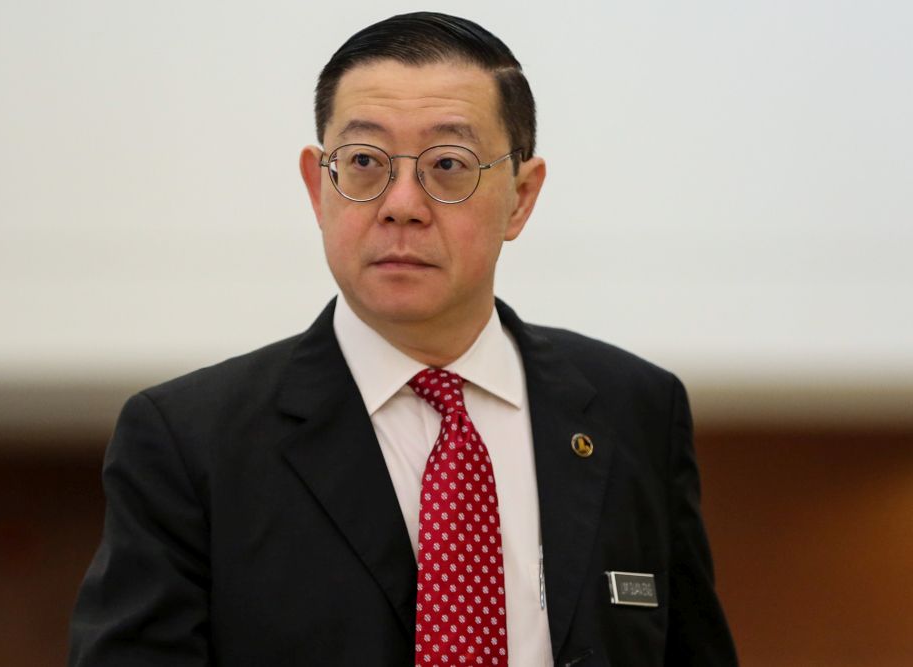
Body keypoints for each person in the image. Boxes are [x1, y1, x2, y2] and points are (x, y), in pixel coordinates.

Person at [69, 12, 737, 667]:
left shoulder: (635, 411)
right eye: (364, 162)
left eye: (448, 164)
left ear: (522, 196)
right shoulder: (192, 442)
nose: (402, 203)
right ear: (317, 185)